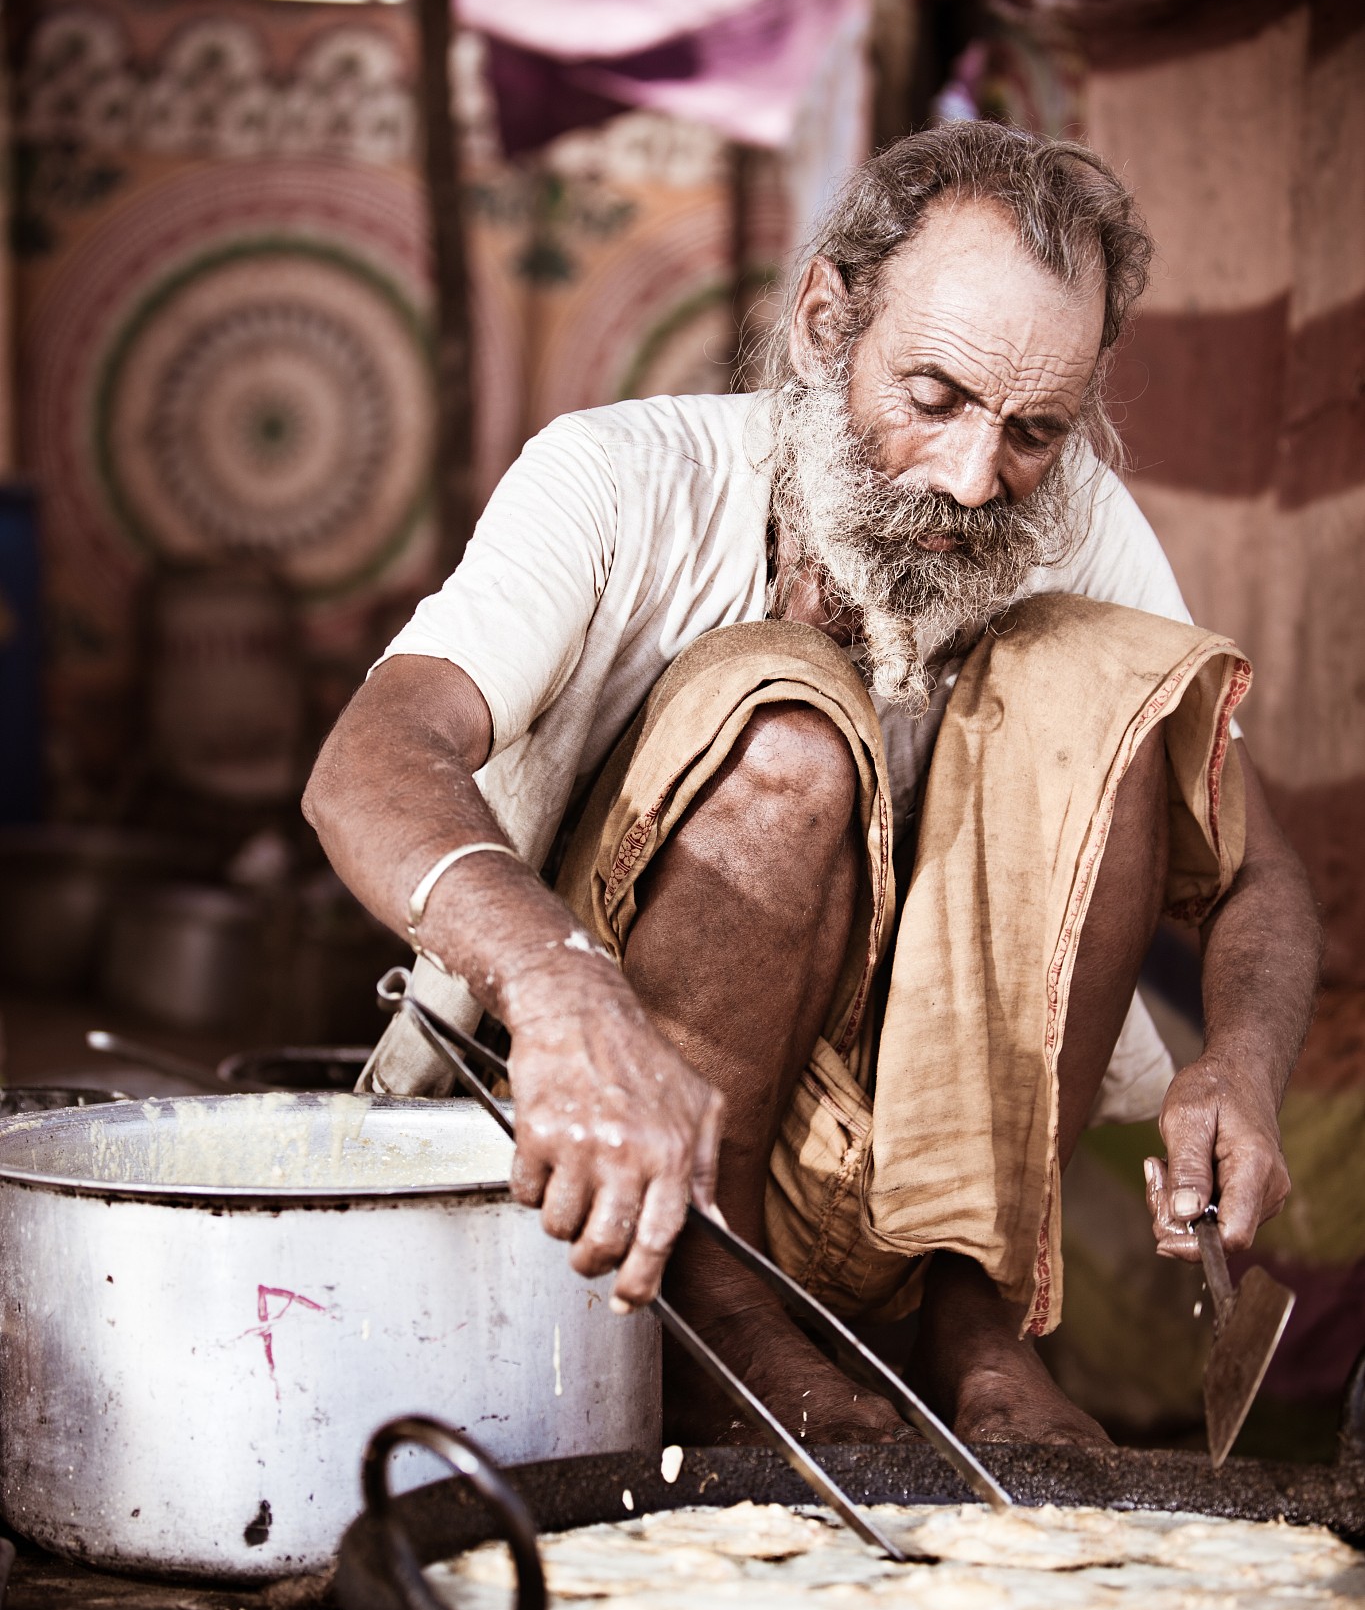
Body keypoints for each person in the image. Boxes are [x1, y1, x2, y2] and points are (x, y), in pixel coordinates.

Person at [304, 122, 1319, 1447]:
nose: (970, 477)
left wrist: (1235, 1069)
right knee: (783, 717)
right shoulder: (616, 477)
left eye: (1030, 430)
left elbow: (1257, 872)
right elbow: (365, 766)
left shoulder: (1071, 521)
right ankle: (716, 1316)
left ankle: (981, 1322)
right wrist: (554, 984)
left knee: (1113, 687)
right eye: (935, 398)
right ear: (822, 320)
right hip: (617, 1137)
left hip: (903, 1177)